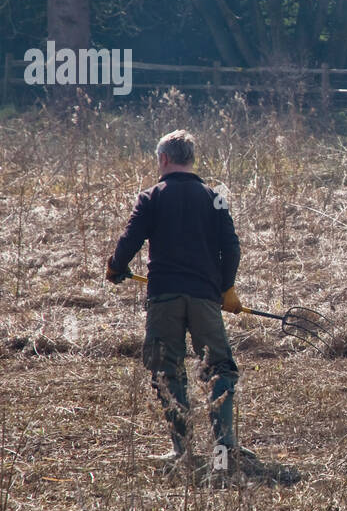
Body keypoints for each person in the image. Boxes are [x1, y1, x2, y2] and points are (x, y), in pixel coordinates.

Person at [106, 129, 249, 469]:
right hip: (205, 297)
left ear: (165, 159)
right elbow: (231, 247)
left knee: (167, 371)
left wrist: (115, 267)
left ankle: (182, 449)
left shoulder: (151, 197)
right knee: (219, 369)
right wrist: (226, 287)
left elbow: (130, 240)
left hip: (164, 298)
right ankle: (225, 449)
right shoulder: (214, 197)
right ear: (191, 159)